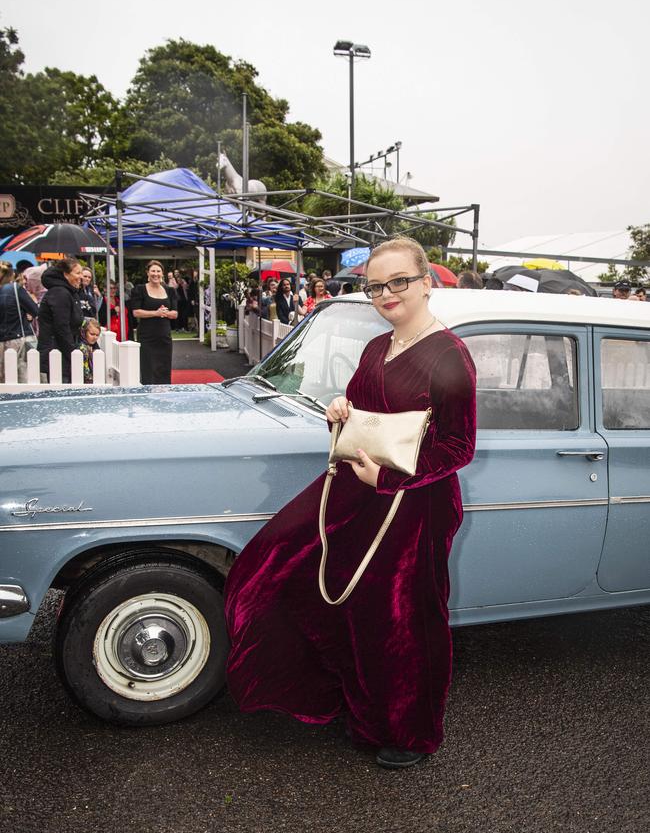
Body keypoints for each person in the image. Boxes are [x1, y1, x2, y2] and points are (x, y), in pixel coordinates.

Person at [225, 237, 477, 770]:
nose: (387, 294)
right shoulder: (375, 348)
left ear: (426, 281)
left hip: (415, 509)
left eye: (399, 282)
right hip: (354, 493)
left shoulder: (451, 355)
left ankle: (409, 731)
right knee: (292, 575)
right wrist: (341, 407)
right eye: (376, 286)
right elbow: (365, 407)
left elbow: (459, 447)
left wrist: (386, 476)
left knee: (404, 619)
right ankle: (354, 705)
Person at [37, 256, 84, 383]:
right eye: (78, 273)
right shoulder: (60, 293)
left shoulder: (69, 292)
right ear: (66, 274)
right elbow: (61, 327)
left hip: (62, 352)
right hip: (58, 353)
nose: (81, 276)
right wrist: (73, 353)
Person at [130, 260, 177, 384]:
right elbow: (136, 312)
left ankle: (164, 396)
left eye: (158, 271)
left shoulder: (170, 291)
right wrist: (155, 313)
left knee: (164, 369)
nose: (155, 274)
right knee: (148, 369)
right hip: (147, 337)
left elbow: (175, 313)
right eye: (153, 271)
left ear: (162, 273)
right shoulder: (139, 289)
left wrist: (165, 313)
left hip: (164, 337)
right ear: (147, 273)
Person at [0, 260, 40, 383]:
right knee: (22, 376)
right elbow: (35, 311)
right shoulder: (15, 289)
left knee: (4, 379)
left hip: (2, 339)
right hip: (17, 337)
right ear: (12, 274)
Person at [78, 317, 101, 383]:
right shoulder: (82, 348)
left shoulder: (92, 347)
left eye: (97, 335)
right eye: (92, 334)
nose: (95, 337)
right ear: (84, 332)